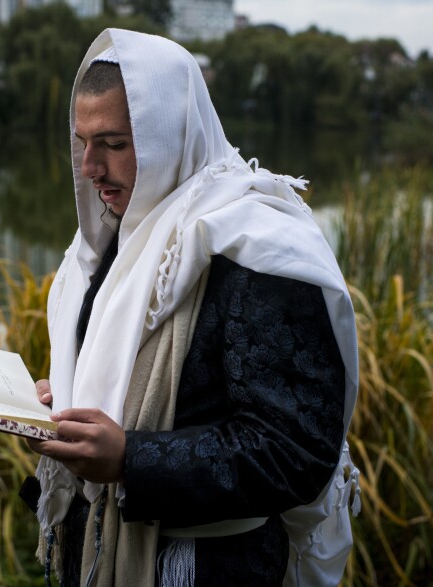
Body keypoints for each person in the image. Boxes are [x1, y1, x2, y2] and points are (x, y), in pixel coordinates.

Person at [21, 28, 359, 587]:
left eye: (114, 143)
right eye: (82, 141)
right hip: (98, 549)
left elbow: (295, 449)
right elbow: (111, 382)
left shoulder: (257, 251)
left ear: (169, 136)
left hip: (209, 566)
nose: (89, 167)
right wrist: (61, 407)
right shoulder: (109, 245)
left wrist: (131, 458)